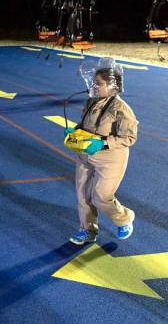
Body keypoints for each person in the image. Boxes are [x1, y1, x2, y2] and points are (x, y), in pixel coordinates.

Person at [66, 58, 138, 245]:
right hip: (85, 154)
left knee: (101, 197)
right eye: (94, 82)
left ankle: (124, 218)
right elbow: (84, 124)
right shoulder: (91, 101)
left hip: (110, 159)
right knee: (83, 196)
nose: (94, 86)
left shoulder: (122, 109)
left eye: (99, 83)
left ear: (113, 87)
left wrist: (102, 144)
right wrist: (75, 131)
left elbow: (128, 138)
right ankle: (88, 231)